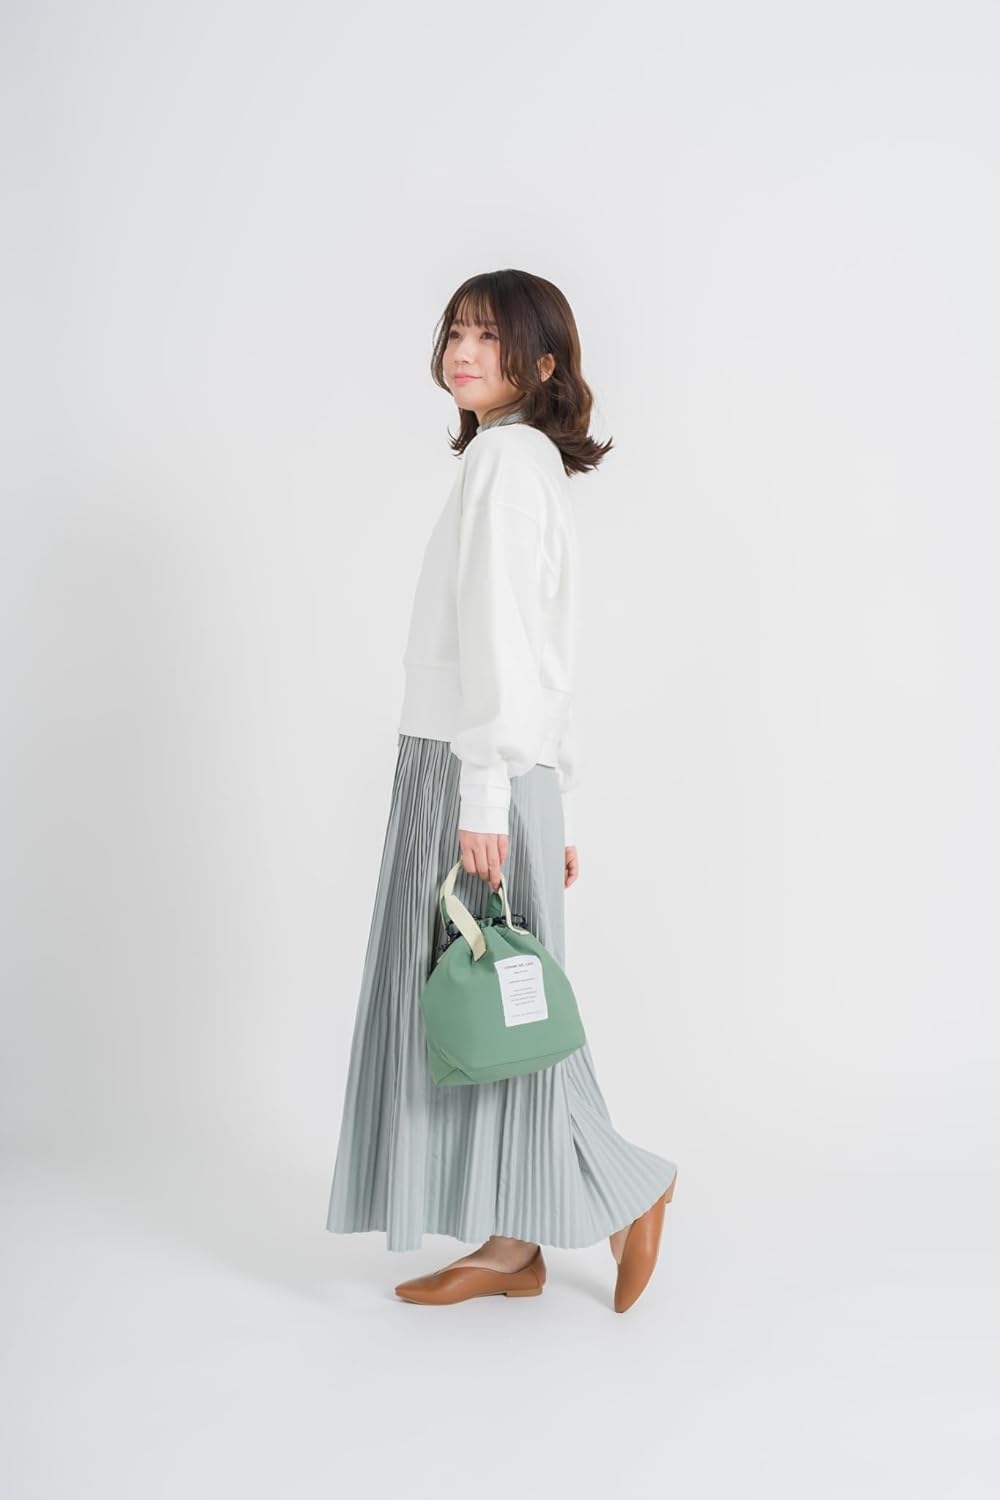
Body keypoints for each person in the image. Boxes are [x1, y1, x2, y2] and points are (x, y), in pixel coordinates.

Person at [325, 268, 678, 1312]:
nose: (463, 352)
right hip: (502, 769)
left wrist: (488, 797)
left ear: (543, 362)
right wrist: (546, 792)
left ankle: (626, 1187)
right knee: (495, 1000)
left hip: (468, 769)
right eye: (455, 333)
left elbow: (503, 648)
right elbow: (542, 651)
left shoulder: (505, 465)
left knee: (488, 1000)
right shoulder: (518, 464)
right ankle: (515, 1244)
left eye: (488, 336)